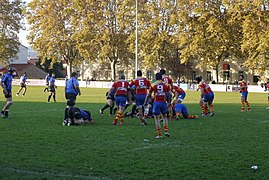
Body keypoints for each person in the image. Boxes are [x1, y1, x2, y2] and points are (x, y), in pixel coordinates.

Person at [144, 72, 172, 139]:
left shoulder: (153, 85)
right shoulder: (166, 85)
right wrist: (169, 102)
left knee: (156, 118)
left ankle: (159, 134)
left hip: (156, 103)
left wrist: (145, 102)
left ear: (155, 78)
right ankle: (166, 131)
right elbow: (170, 94)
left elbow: (149, 94)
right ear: (161, 78)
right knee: (165, 117)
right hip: (163, 103)